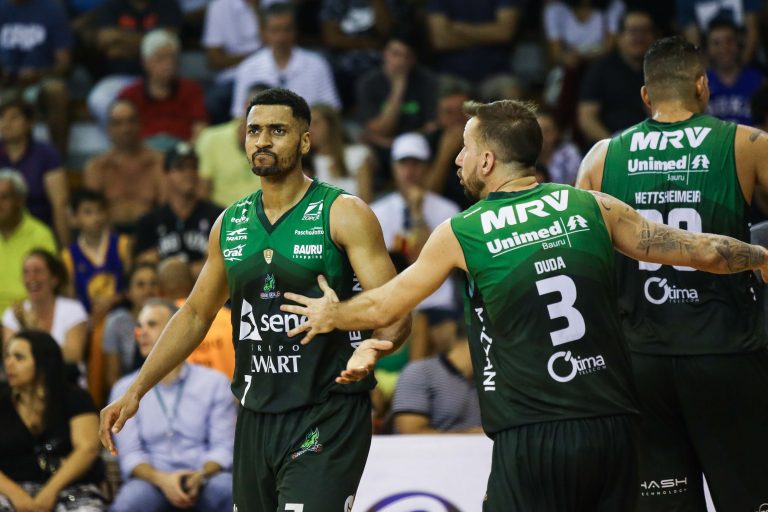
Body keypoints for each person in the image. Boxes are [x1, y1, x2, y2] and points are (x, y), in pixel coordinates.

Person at [280, 99, 768, 511]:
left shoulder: (463, 230)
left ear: (487, 161)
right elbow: (702, 250)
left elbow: (387, 304)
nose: (457, 160)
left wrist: (335, 314)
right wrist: (760, 257)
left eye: (465, 149)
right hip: (614, 427)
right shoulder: (591, 205)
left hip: (532, 435)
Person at [99, 88, 410, 511]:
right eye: (254, 131)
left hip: (327, 411)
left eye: (277, 130)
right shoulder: (229, 223)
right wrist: (137, 389)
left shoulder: (343, 213)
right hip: (255, 415)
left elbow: (396, 309)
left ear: (305, 141)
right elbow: (194, 314)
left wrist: (359, 335)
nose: (262, 140)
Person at [576, 35, 768, 511]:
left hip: (641, 363)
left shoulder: (601, 156)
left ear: (646, 95)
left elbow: (582, 268)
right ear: (702, 85)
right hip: (726, 353)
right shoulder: (746, 143)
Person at [109, 299, 235, 512]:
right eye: (139, 326)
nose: (141, 333)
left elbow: (223, 447)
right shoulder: (124, 389)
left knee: (229, 491)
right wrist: (163, 480)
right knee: (128, 504)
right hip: (151, 481)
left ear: (176, 330)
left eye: (152, 324)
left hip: (206, 476)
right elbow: (131, 455)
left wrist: (200, 475)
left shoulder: (214, 382)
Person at [0, 330, 107, 511]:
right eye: (7, 356)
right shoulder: (2, 400)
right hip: (10, 490)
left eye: (19, 358)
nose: (8, 364)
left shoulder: (75, 397)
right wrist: (17, 496)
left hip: (71, 488)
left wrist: (50, 492)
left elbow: (87, 449)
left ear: (43, 363)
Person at [229, 3, 341, 119]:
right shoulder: (248, 68)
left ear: (296, 30)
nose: (281, 37)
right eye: (275, 30)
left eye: (287, 30)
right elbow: (240, 115)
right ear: (263, 32)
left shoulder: (317, 64)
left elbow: (332, 110)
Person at [133, 142, 222, 277]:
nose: (189, 173)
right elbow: (142, 266)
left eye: (193, 167)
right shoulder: (150, 221)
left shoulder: (217, 217)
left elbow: (224, 263)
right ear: (166, 174)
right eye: (181, 168)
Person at [2, 249, 89, 384]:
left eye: (38, 271)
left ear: (54, 279)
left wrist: (34, 331)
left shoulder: (72, 310)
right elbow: (9, 357)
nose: (31, 278)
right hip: (26, 386)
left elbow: (74, 356)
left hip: (67, 383)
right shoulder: (13, 314)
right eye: (26, 272)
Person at [0, 0, 73, 158]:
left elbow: (64, 64)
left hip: (42, 79)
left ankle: (57, 160)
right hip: (7, 83)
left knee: (57, 91)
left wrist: (39, 74)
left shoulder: (52, 10)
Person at [83, 99, 166, 234]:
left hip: (151, 235)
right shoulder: (97, 167)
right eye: (118, 123)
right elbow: (91, 213)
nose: (125, 129)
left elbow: (166, 210)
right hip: (109, 236)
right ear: (108, 129)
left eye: (131, 121)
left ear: (140, 124)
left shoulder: (159, 163)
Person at [118, 29, 208, 151]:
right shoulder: (129, 95)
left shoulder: (191, 90)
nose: (169, 64)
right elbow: (122, 134)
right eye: (161, 58)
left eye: (173, 58)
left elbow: (200, 130)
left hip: (181, 152)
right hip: (144, 154)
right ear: (145, 62)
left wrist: (186, 152)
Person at [578, 9, 655, 144]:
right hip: (611, 143)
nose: (639, 37)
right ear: (619, 37)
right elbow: (586, 117)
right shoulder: (600, 70)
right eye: (633, 31)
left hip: (653, 143)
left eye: (644, 31)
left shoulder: (662, 70)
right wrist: (614, 146)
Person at [0, 98, 70, 245]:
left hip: (39, 232)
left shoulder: (46, 154)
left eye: (14, 117)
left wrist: (64, 248)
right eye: (2, 117)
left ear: (29, 123)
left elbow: (59, 204)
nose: (6, 123)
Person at [157, 257, 235, 380]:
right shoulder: (230, 317)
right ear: (195, 284)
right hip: (231, 390)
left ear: (159, 291)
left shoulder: (160, 324)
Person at [391, 333, 482, 434]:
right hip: (426, 445)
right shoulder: (420, 372)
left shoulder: (487, 381)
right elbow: (410, 433)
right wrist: (473, 435)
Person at [62, 188, 132, 316]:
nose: (96, 217)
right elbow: (70, 299)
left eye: (100, 210)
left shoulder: (123, 244)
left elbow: (133, 287)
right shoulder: (68, 256)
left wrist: (114, 300)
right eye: (88, 212)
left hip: (123, 314)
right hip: (89, 319)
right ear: (74, 218)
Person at [196, 83, 265, 208]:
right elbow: (202, 191)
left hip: (265, 217)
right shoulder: (212, 138)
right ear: (245, 106)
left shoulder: (278, 145)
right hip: (222, 215)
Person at [0, 169, 57, 315]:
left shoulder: (41, 235)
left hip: (27, 315)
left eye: (4, 197)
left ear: (20, 200)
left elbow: (49, 285)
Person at [102, 262, 159, 393]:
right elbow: (112, 376)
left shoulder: (171, 317)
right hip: (128, 392)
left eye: (153, 283)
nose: (148, 290)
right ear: (128, 293)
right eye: (140, 285)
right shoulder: (116, 322)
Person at [309, 103, 374, 203]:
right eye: (307, 126)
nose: (310, 130)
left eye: (316, 123)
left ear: (331, 125)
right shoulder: (306, 165)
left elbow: (366, 201)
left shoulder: (357, 154)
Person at [705, 18, 763, 125]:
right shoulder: (700, 85)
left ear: (739, 44)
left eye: (729, 41)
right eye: (716, 43)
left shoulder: (758, 81)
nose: (723, 49)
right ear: (708, 48)